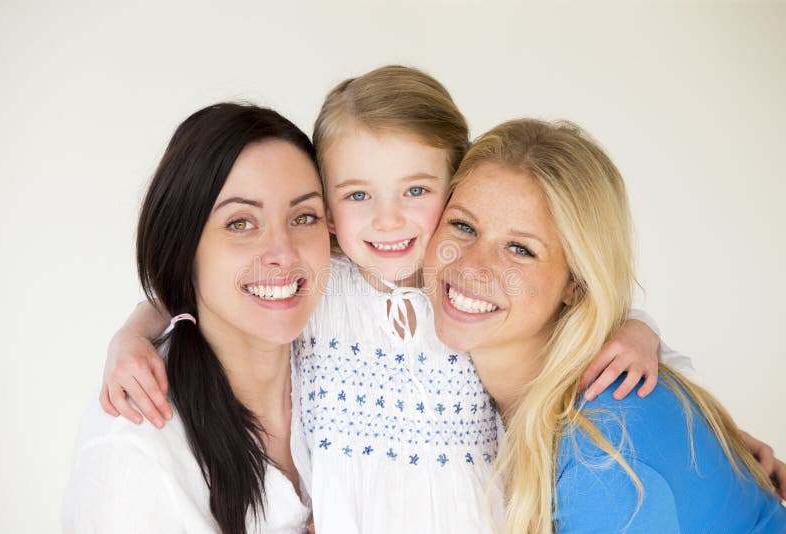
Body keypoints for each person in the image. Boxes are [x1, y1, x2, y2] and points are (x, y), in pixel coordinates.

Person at [98, 67, 690, 532]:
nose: (387, 220)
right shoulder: (318, 286)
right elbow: (207, 290)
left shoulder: (462, 295)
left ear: (458, 188)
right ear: (326, 209)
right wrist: (134, 331)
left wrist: (638, 330)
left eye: (416, 189)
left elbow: (581, 323)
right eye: (357, 195)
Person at [423, 118, 786, 533]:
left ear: (576, 284)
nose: (471, 265)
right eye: (463, 226)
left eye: (520, 249)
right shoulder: (483, 386)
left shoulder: (603, 451)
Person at [62, 103, 330, 534]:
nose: (284, 253)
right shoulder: (133, 449)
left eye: (304, 217)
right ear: (185, 243)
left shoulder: (346, 347)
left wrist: (137, 325)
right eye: (241, 223)